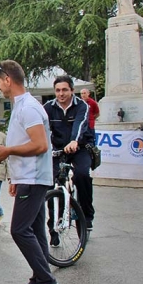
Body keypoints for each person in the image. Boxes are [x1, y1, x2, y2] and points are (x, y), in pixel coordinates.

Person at [0, 60, 61, 284]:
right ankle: (38, 280)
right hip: (27, 178)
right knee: (36, 230)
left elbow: (39, 144)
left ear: (7, 79)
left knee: (19, 230)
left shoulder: (28, 107)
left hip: (33, 178)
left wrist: (8, 151)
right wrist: (14, 177)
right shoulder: (23, 106)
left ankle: (47, 281)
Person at [43, 75, 96, 232]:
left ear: (72, 91)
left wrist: (74, 141)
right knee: (51, 183)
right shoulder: (48, 107)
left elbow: (80, 125)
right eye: (58, 90)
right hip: (58, 150)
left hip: (79, 147)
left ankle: (86, 215)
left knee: (82, 175)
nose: (61, 94)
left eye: (65, 90)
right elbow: (42, 127)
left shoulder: (82, 106)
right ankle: (53, 223)